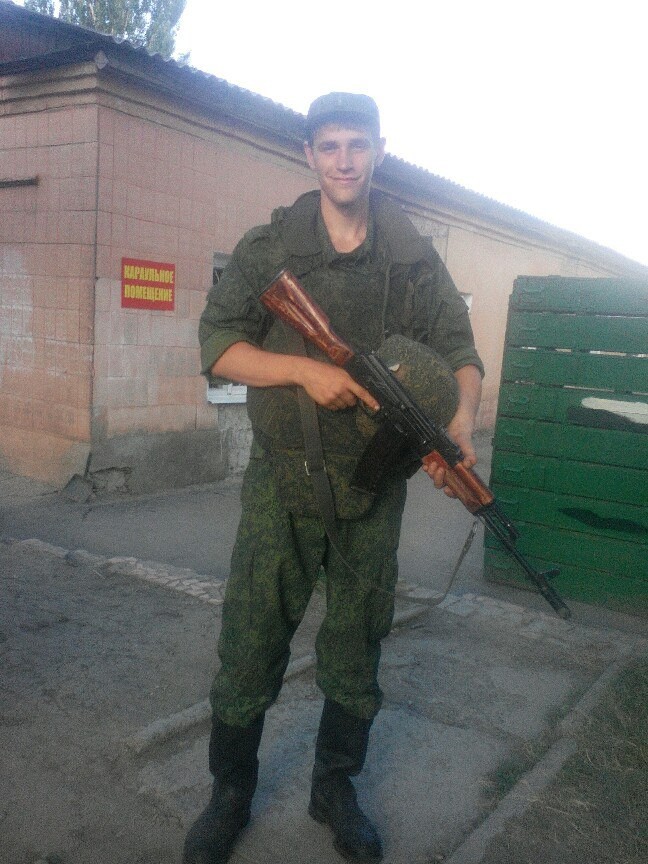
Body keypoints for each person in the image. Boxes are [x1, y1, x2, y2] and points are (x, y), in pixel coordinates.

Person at [183, 92, 484, 864]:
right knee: (251, 639)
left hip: (373, 494)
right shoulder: (272, 248)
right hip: (281, 487)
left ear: (379, 150)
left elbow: (461, 350)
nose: (344, 160)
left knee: (357, 642)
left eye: (357, 145)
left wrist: (458, 427)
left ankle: (334, 789)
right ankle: (230, 794)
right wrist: (302, 371)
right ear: (308, 154)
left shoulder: (411, 256)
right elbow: (217, 343)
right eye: (329, 146)